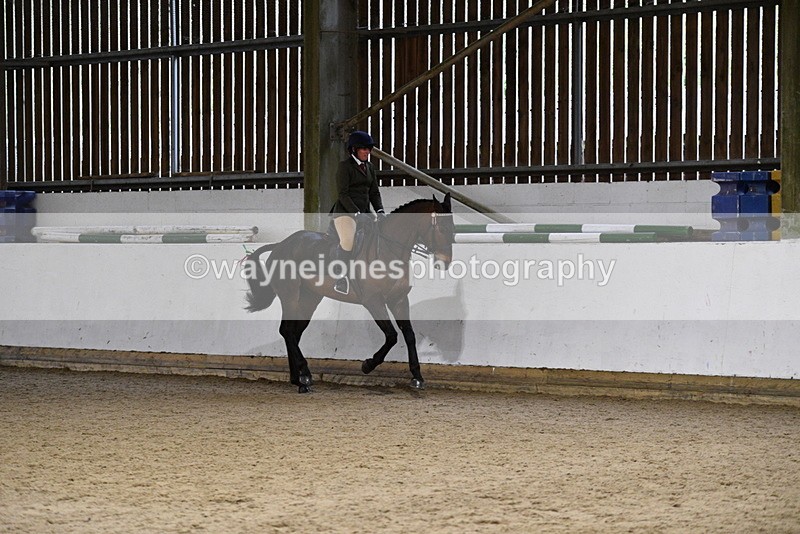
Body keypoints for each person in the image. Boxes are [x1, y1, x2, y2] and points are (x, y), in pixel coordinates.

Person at [329, 130, 385, 295]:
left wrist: (380, 210)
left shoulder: (370, 167)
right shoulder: (344, 167)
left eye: (369, 149)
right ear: (354, 149)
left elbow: (374, 192)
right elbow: (343, 195)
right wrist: (357, 213)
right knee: (348, 241)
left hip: (366, 211)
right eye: (364, 149)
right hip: (345, 213)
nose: (367, 152)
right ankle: (340, 278)